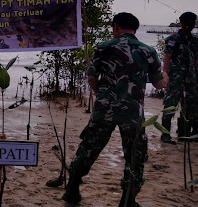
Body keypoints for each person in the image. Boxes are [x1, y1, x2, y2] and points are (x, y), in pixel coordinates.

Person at [62, 12, 168, 206]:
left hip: (104, 108)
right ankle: (128, 199)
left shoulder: (103, 48)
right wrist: (166, 76)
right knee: (135, 153)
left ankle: (72, 189)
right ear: (135, 28)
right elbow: (160, 84)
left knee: (89, 147)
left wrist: (101, 95)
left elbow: (92, 78)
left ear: (116, 26)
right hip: (133, 113)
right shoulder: (148, 51)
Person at [161, 12, 198, 144]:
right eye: (189, 21)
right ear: (182, 22)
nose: (191, 24)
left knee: (189, 106)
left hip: (191, 78)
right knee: (170, 105)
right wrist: (165, 74)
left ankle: (184, 133)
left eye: (193, 22)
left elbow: (196, 59)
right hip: (175, 77)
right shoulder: (173, 39)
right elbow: (167, 57)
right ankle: (165, 134)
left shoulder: (195, 40)